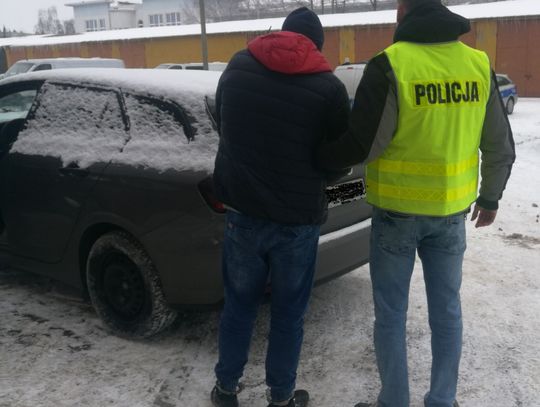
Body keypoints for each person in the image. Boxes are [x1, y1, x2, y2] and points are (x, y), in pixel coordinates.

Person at [315, 0, 515, 406]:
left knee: (391, 315)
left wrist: (318, 160)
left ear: (403, 12)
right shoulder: (478, 64)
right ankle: (442, 399)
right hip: (451, 215)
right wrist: (490, 195)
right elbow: (499, 144)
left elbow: (365, 145)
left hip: (396, 215)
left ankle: (394, 401)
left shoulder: (390, 64)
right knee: (447, 312)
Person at [211, 7, 350, 407]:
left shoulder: (237, 68)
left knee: (239, 307)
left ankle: (225, 389)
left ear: (280, 34)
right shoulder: (329, 87)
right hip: (297, 222)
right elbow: (339, 158)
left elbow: (223, 123)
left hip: (243, 215)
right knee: (289, 315)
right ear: (315, 45)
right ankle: (282, 396)